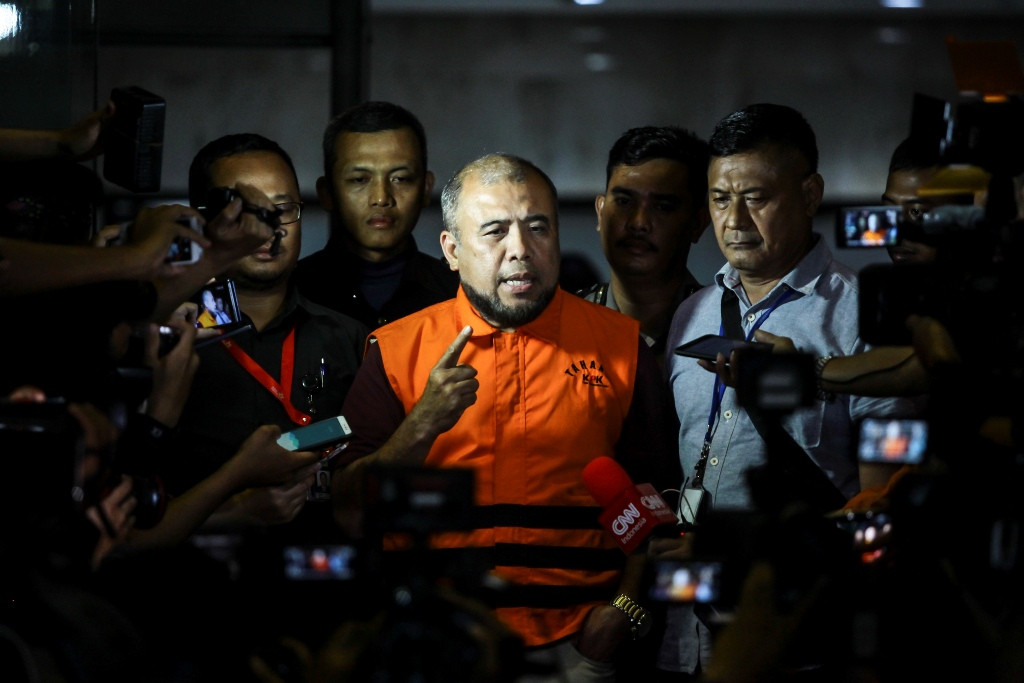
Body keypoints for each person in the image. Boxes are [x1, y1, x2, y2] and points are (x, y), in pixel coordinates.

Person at [333, 153, 678, 681]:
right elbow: (346, 510)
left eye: (538, 227)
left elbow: (659, 500)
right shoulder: (396, 349)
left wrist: (623, 613)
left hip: (579, 648)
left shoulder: (621, 346)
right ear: (452, 250)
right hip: (432, 650)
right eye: (495, 231)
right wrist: (421, 424)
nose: (521, 249)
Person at [660, 103, 917, 678]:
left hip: (805, 639)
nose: (734, 220)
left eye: (756, 197)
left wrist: (741, 552)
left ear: (809, 194)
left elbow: (883, 509)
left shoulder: (863, 320)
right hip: (689, 637)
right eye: (720, 199)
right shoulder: (691, 314)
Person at [165, 133, 368, 533]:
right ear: (201, 218)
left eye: (283, 209)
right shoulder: (170, 335)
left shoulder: (348, 338)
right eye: (246, 211)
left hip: (320, 561)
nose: (270, 228)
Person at [293, 101, 458, 329]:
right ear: (327, 193)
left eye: (400, 179)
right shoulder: (291, 294)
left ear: (426, 189)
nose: (381, 198)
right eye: (359, 180)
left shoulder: (459, 294)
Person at [579, 126, 710, 366]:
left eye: (662, 207)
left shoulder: (725, 328)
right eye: (624, 202)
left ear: (697, 224)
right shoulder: (561, 327)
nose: (638, 223)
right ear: (600, 212)